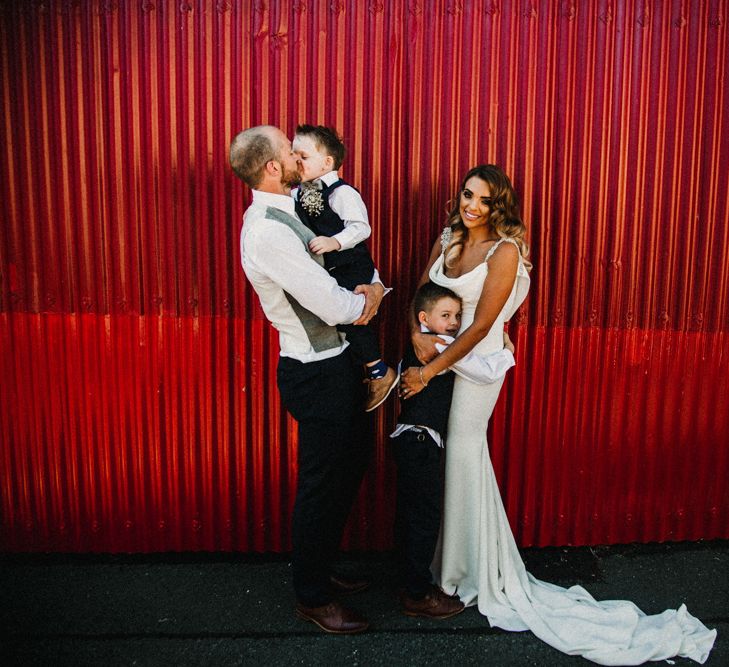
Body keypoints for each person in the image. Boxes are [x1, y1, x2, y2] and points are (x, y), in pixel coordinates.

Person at [399, 165, 716, 664]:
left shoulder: (505, 252)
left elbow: (485, 322)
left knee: (462, 451)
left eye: (483, 199)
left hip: (476, 365)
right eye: (467, 195)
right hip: (437, 361)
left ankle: (467, 571)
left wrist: (427, 369)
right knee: (442, 457)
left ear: (499, 206)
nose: (472, 206)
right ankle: (444, 565)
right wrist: (416, 336)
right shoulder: (448, 241)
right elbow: (421, 295)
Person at [230, 125, 386, 635]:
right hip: (313, 374)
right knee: (322, 484)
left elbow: (342, 255)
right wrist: (370, 300)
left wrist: (366, 282)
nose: (299, 157)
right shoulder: (267, 229)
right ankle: (312, 596)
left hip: (337, 364)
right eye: (289, 152)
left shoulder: (292, 207)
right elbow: (331, 302)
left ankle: (320, 565)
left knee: (352, 461)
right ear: (273, 167)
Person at [392, 281, 515, 619]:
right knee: (425, 518)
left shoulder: (423, 340)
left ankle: (406, 581)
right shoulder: (439, 344)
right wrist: (507, 352)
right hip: (421, 440)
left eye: (458, 316)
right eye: (445, 315)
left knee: (411, 514)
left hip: (410, 438)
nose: (454, 323)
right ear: (424, 317)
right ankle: (417, 595)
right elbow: (482, 370)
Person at [291, 124, 398, 411]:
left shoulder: (342, 193)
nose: (296, 161)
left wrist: (334, 242)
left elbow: (361, 228)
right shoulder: (296, 194)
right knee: (337, 319)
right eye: (293, 155)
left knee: (355, 318)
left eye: (303, 155)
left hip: (351, 265)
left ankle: (379, 370)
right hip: (328, 271)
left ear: (327, 162)